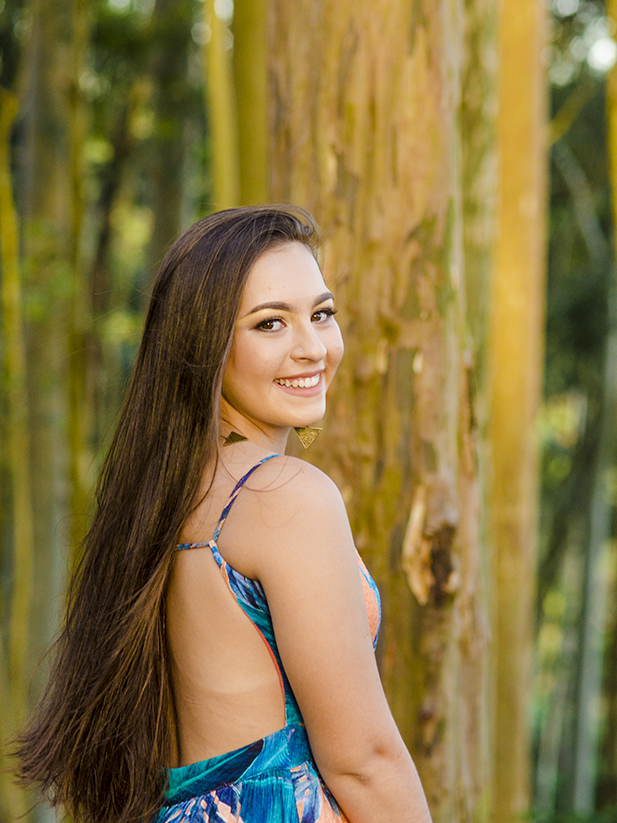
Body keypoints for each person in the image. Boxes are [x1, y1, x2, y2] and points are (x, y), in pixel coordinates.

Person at [15, 205, 432, 823]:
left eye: (321, 314)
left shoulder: (165, 500)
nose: (312, 347)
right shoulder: (286, 495)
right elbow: (364, 761)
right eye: (270, 324)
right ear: (206, 344)